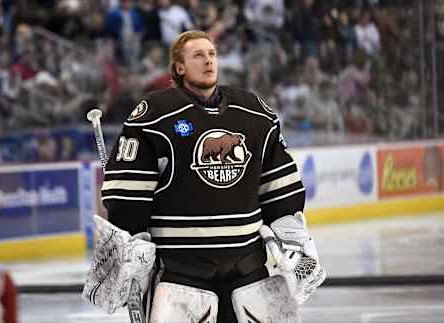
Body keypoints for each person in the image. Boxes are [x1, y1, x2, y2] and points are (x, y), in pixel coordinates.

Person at [99, 30, 325, 322]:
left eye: (212, 54)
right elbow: (126, 196)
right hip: (181, 270)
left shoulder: (253, 113)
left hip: (247, 267)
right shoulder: (155, 115)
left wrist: (293, 238)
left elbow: (279, 187)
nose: (208, 60)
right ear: (179, 67)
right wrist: (133, 246)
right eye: (198, 55)